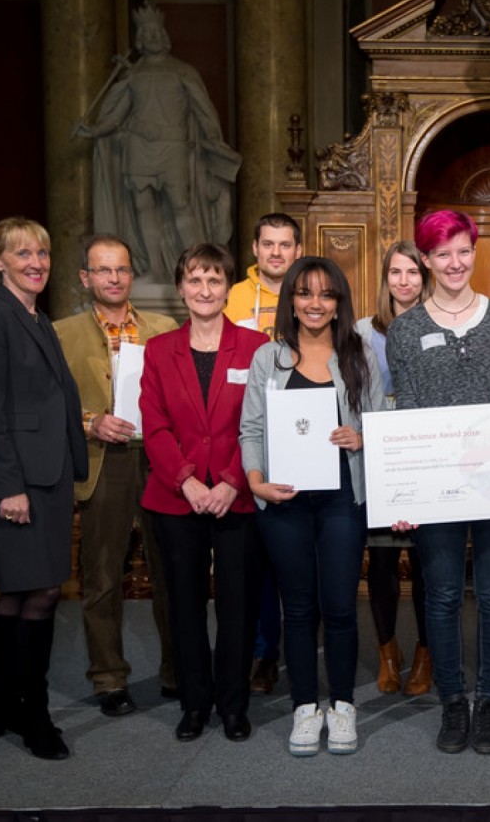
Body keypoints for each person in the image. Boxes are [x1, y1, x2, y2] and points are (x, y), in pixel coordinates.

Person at [385, 210, 490, 755]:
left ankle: (488, 700)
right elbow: (403, 418)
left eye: (463, 250)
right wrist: (401, 494)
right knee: (443, 596)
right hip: (434, 492)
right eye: (442, 253)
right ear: (425, 259)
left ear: (475, 251)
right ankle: (453, 702)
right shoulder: (404, 331)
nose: (454, 262)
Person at [240, 257, 384, 756]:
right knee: (297, 608)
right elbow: (252, 429)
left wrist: (360, 437)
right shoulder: (269, 359)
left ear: (339, 302)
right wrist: (256, 483)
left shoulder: (358, 354)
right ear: (291, 301)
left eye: (325, 295)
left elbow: (382, 423)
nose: (315, 304)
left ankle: (342, 705)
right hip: (285, 501)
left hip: (344, 499)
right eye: (304, 294)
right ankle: (305, 706)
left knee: (341, 606)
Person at [0, 217, 89, 761]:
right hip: (18, 480)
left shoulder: (35, 319)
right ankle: (33, 715)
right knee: (38, 593)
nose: (36, 262)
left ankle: (0, 704)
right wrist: (8, 487)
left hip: (51, 475)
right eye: (22, 254)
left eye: (42, 252)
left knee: (21, 591)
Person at [140, 243, 269, 743]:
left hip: (236, 496)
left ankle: (233, 705)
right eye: (195, 280)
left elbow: (260, 424)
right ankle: (195, 704)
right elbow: (155, 426)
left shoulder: (256, 347)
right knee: (185, 605)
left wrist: (233, 479)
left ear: (228, 289)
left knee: (238, 605)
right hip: (176, 499)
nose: (205, 290)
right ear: (180, 289)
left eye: (215, 280)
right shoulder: (159, 351)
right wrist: (188, 480)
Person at [53, 235, 179, 717]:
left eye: (121, 269)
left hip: (160, 460)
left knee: (170, 571)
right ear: (85, 278)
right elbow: (51, 405)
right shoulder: (62, 333)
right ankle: (108, 678)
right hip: (103, 462)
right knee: (103, 574)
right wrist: (91, 421)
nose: (113, 278)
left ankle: (176, 670)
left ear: (131, 274)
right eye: (102, 270)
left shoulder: (163, 327)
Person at [76, 0, 239, 281]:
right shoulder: (134, 74)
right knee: (143, 207)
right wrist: (95, 130)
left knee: (180, 204)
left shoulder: (182, 71)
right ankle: (153, 268)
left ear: (163, 35)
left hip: (172, 146)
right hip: (139, 147)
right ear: (140, 39)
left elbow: (204, 110)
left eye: (155, 32)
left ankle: (195, 268)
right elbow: (116, 115)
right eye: (146, 34)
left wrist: (214, 139)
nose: (151, 37)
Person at [225, 213, 304, 695]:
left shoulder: (308, 292)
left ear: (298, 249)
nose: (276, 253)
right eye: (268, 244)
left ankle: (294, 646)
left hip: (300, 437)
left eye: (285, 245)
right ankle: (262, 653)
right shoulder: (233, 297)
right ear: (255, 248)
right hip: (246, 432)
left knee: (292, 558)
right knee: (253, 560)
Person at [355, 242, 432, 697]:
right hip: (378, 455)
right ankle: (388, 651)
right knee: (381, 559)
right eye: (395, 273)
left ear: (425, 277)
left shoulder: (440, 323)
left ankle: (424, 654)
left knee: (426, 560)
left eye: (412, 273)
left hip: (425, 455)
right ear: (385, 279)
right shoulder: (363, 331)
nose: (404, 281)